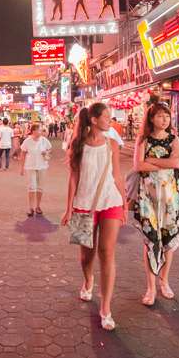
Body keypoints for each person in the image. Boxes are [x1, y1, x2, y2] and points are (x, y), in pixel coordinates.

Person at [61, 103, 125, 331]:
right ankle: (88, 280)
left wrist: (124, 203)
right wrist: (68, 208)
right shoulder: (78, 144)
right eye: (107, 117)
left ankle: (106, 307)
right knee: (85, 257)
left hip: (110, 201)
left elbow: (117, 175)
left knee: (107, 252)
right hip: (83, 205)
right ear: (94, 120)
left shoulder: (112, 144)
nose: (111, 120)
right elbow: (73, 179)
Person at [131, 103, 179, 305]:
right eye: (159, 116)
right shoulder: (143, 139)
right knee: (150, 241)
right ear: (151, 118)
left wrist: (151, 161)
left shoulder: (174, 139)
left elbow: (176, 163)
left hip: (170, 197)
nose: (164, 119)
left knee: (168, 239)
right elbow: (138, 166)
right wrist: (162, 162)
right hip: (148, 197)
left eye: (167, 116)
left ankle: (165, 280)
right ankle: (151, 287)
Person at [19, 123, 52, 217]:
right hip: (30, 167)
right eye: (39, 130)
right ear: (33, 131)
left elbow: (50, 150)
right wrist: (21, 168)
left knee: (40, 187)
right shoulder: (27, 141)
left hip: (42, 166)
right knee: (31, 187)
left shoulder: (44, 140)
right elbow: (23, 154)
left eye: (41, 130)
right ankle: (31, 207)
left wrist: (46, 153)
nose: (41, 131)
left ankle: (38, 206)